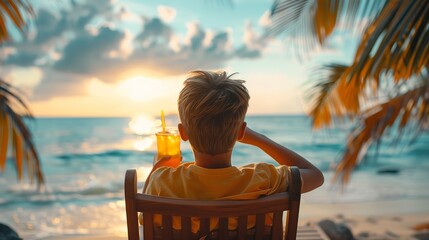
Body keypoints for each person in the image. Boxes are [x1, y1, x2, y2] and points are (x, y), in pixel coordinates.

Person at [143, 70, 324, 231]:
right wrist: (261, 139)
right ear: (241, 132)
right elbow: (315, 176)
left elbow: (146, 226)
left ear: (183, 133)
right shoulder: (264, 179)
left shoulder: (162, 181)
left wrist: (156, 171)